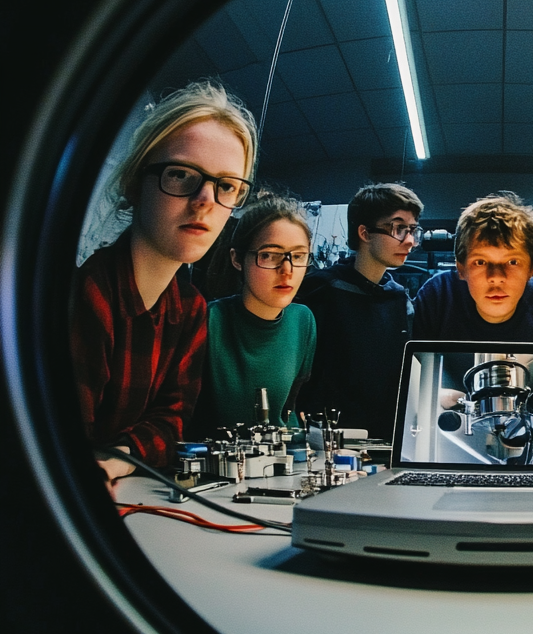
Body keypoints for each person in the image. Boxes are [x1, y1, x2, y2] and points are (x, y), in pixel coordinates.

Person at [71, 81, 257, 486]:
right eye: (181, 175)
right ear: (134, 184)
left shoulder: (190, 308)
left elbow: (171, 420)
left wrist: (115, 460)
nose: (206, 200)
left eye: (227, 186)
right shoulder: (88, 297)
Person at [295, 182, 422, 439]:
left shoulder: (400, 300)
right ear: (364, 233)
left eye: (412, 230)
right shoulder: (318, 292)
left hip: (387, 444)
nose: (409, 241)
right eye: (398, 228)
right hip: (327, 446)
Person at [189, 194, 315, 434]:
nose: (287, 270)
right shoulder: (208, 320)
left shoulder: (303, 321)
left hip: (284, 458)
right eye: (269, 255)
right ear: (237, 258)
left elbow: (289, 409)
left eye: (298, 256)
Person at [414, 192, 533, 343]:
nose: (496, 277)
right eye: (480, 262)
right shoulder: (438, 296)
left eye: (512, 262)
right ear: (460, 268)